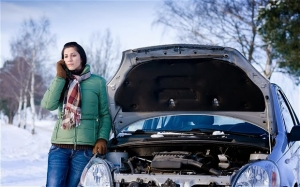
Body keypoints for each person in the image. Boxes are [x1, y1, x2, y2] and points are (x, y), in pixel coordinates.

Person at [41, 41, 112, 187]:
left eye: (73, 55)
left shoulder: (98, 82)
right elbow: (48, 105)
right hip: (59, 148)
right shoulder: (62, 80)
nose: (69, 59)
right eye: (66, 56)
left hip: (85, 149)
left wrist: (102, 138)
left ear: (82, 58)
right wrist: (60, 77)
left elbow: (105, 114)